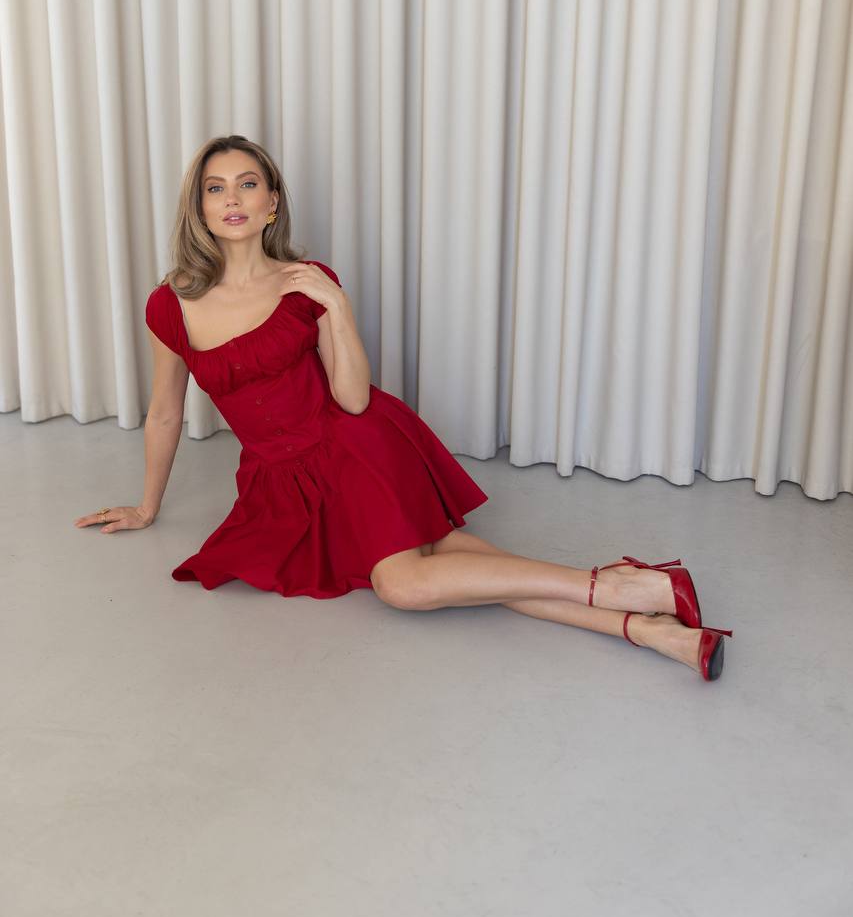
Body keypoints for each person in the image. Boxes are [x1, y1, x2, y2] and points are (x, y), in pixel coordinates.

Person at [74, 135, 732, 681]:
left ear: (272, 203)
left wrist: (336, 308)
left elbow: (353, 397)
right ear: (199, 207)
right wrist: (147, 506)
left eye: (247, 184)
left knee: (405, 584)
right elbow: (164, 412)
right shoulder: (171, 303)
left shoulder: (307, 282)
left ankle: (616, 587)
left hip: (354, 446)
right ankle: (650, 630)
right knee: (456, 559)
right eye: (215, 188)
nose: (232, 199)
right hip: (284, 483)